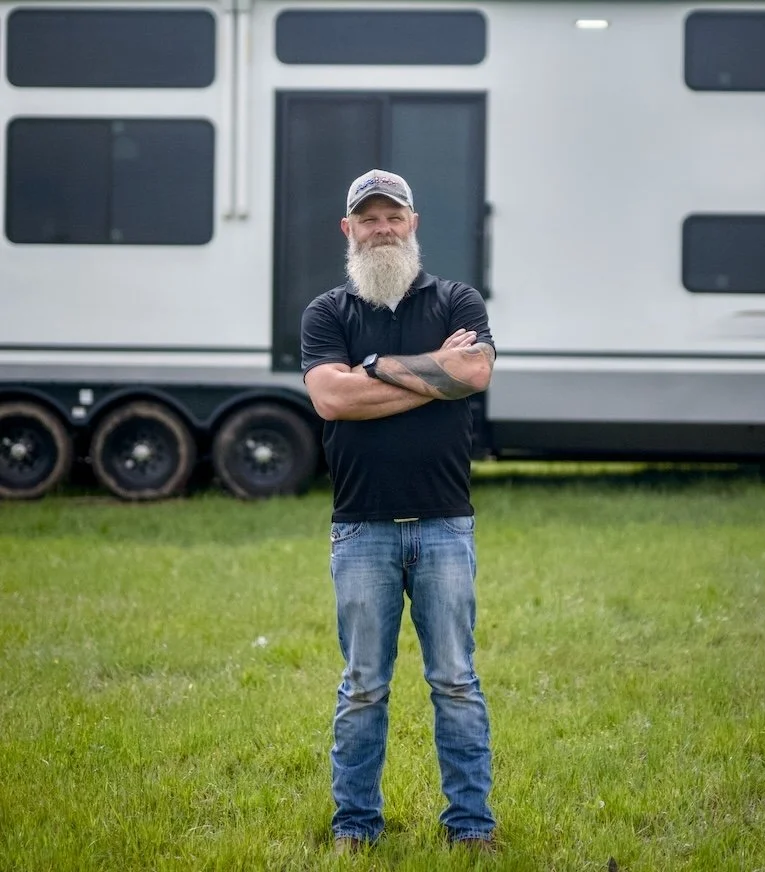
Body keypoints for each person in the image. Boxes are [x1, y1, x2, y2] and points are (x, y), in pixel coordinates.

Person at [300, 169, 496, 853]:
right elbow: (330, 400)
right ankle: (355, 829)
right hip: (361, 528)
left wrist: (374, 368)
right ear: (347, 229)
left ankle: (470, 830)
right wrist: (425, 376)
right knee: (362, 688)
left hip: (444, 522)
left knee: (455, 682)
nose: (381, 227)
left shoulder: (456, 300)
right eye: (368, 217)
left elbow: (471, 374)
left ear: (412, 224)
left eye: (393, 216)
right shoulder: (328, 313)